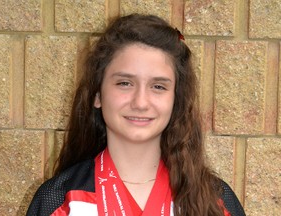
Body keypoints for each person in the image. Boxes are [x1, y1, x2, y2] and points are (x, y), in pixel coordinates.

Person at [26, 14, 246, 216]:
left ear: (176, 100)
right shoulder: (58, 201)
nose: (140, 102)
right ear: (98, 95)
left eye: (158, 86)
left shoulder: (216, 201)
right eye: (124, 83)